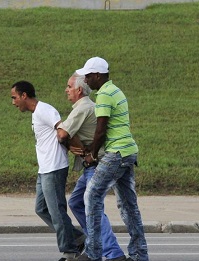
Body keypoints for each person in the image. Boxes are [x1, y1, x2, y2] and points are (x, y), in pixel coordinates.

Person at [75, 57, 149, 261]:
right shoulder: (116, 90)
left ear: (98, 76)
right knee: (128, 205)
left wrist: (91, 154)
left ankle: (93, 253)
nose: (86, 81)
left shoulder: (105, 94)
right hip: (128, 152)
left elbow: (101, 129)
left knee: (91, 196)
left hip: (116, 153)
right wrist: (93, 148)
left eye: (88, 76)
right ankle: (139, 254)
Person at [56, 72, 129, 261]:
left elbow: (62, 134)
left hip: (95, 164)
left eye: (69, 86)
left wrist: (68, 141)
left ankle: (113, 254)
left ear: (79, 90)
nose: (66, 90)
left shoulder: (83, 107)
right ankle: (96, 244)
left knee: (91, 206)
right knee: (77, 202)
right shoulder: (88, 106)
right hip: (94, 163)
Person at [10, 81, 85, 261]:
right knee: (41, 208)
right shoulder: (37, 113)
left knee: (57, 211)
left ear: (24, 96)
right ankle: (77, 237)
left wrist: (74, 147)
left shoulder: (44, 110)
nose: (13, 102)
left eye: (14, 98)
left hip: (54, 167)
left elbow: (63, 129)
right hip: (44, 169)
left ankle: (70, 252)